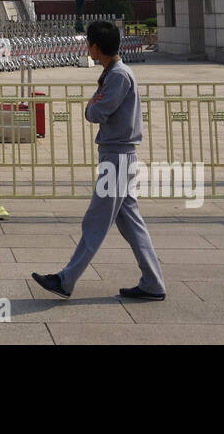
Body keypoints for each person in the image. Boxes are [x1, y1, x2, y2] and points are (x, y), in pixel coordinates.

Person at [32, 21, 166, 301]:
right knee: (131, 223)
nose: (87, 48)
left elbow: (97, 111)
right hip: (116, 154)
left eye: (88, 43)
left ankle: (66, 280)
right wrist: (93, 104)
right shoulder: (112, 73)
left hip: (117, 156)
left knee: (95, 221)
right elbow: (96, 106)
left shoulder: (118, 76)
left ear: (95, 46)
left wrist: (92, 105)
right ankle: (153, 282)